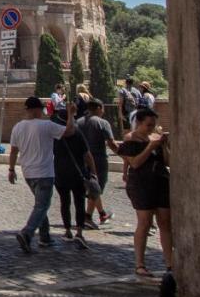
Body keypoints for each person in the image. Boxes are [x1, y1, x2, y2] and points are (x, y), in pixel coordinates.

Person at [8, 95, 76, 253]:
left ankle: (45, 237)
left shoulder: (17, 127)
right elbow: (70, 131)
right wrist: (71, 114)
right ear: (38, 109)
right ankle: (27, 233)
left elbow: (13, 151)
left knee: (40, 205)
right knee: (42, 205)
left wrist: (11, 170)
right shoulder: (47, 125)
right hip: (44, 172)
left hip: (28, 172)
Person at [118, 107, 173, 278]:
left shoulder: (155, 138)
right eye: (149, 125)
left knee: (165, 222)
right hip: (141, 183)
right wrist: (150, 146)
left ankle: (170, 263)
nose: (151, 128)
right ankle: (140, 264)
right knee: (145, 222)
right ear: (140, 123)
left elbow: (167, 161)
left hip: (161, 181)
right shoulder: (130, 139)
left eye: (154, 125)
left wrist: (164, 146)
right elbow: (135, 163)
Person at [52, 109, 97, 248]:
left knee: (64, 203)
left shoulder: (55, 135)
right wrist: (94, 172)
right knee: (79, 203)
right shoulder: (78, 134)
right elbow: (88, 155)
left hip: (60, 173)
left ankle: (67, 230)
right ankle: (79, 232)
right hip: (78, 174)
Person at [77, 100, 119, 228]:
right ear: (100, 108)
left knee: (92, 187)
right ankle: (87, 217)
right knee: (96, 188)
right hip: (98, 160)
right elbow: (111, 144)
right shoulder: (103, 123)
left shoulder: (78, 122)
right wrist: (125, 155)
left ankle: (102, 214)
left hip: (80, 160)